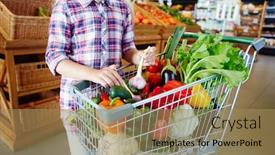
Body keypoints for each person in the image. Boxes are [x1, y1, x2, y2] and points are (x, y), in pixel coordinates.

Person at [45, 0, 156, 154]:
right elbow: (54, 57)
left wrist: (140, 57)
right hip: (77, 104)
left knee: (114, 148)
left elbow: (127, 47)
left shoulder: (122, 7)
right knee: (81, 150)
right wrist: (93, 74)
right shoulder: (65, 6)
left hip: (114, 104)